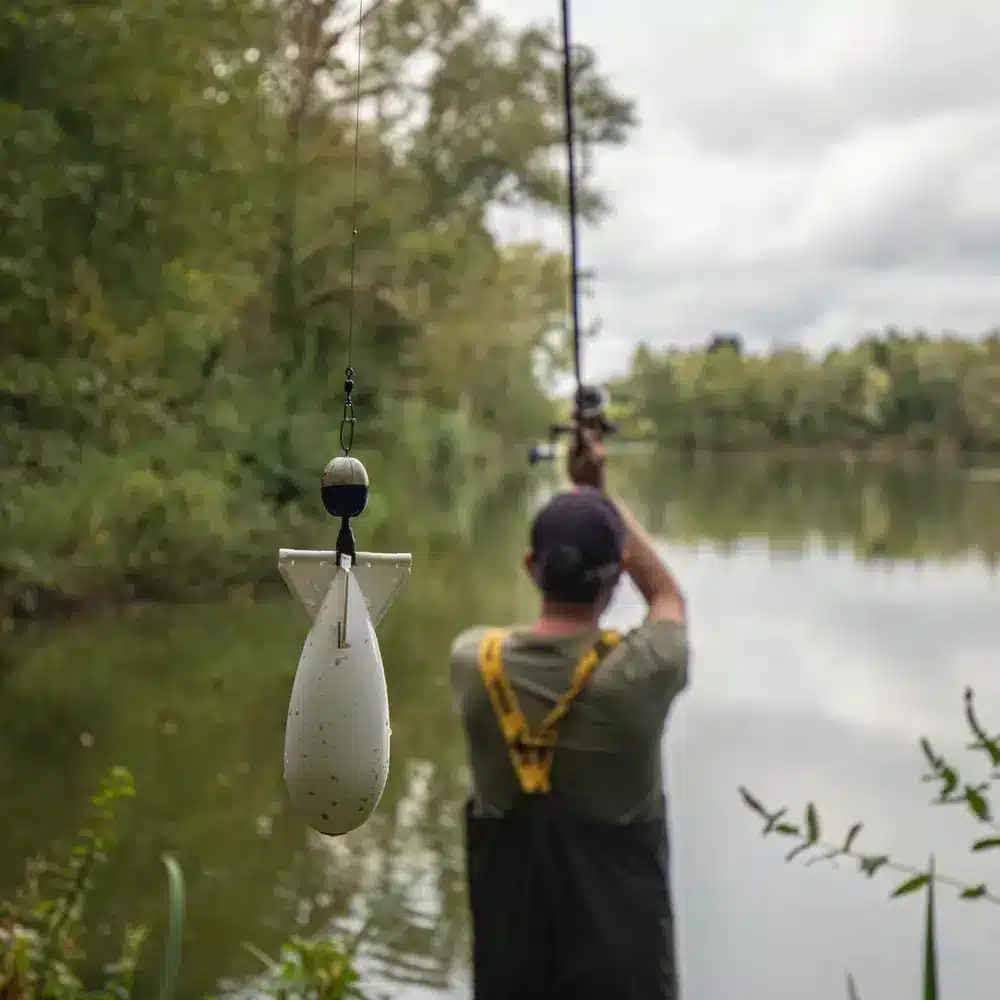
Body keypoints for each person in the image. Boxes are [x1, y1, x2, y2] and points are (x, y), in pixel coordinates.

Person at [450, 424, 690, 1000]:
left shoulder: (474, 663)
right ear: (615, 575)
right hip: (624, 976)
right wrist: (600, 490)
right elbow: (667, 597)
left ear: (532, 568)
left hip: (513, 975)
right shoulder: (642, 672)